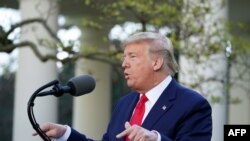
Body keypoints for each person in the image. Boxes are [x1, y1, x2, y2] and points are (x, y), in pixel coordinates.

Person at [33, 31, 212, 141]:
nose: (124, 64)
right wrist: (66, 134)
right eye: (124, 58)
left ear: (156, 63)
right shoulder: (125, 104)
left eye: (132, 57)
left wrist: (156, 140)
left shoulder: (193, 105)